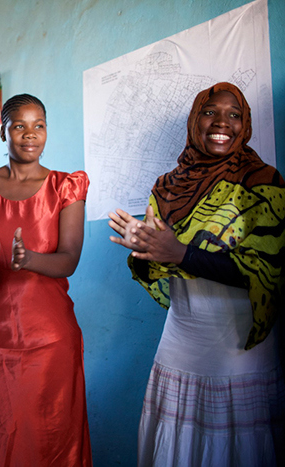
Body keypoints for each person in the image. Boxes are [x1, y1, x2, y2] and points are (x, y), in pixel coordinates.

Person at [108, 82, 285, 466]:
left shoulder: (263, 183)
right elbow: (157, 265)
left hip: (239, 348)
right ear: (194, 120)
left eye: (234, 114)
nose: (222, 122)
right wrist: (143, 250)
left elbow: (269, 272)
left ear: (246, 124)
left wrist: (180, 253)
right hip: (179, 341)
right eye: (210, 112)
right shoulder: (166, 187)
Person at [0, 93, 92, 466]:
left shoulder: (67, 187)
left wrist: (28, 259)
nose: (29, 134)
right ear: (3, 132)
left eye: (39, 126)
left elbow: (68, 261)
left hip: (50, 339)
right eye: (18, 126)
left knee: (49, 440)